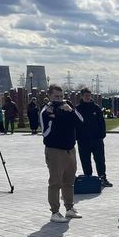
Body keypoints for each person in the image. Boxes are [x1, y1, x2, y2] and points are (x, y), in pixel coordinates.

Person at [41, 84, 83, 223]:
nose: (59, 99)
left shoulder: (68, 106)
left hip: (70, 149)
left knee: (69, 181)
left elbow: (81, 122)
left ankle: (69, 208)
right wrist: (52, 118)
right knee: (55, 182)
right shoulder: (45, 111)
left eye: (61, 96)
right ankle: (55, 212)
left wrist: (70, 110)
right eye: (56, 97)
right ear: (49, 96)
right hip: (54, 151)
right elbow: (45, 133)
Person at [75, 88, 112, 187]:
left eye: (89, 95)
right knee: (85, 160)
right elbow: (75, 125)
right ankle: (89, 178)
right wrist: (77, 137)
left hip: (96, 139)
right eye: (85, 96)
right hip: (83, 140)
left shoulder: (96, 108)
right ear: (82, 96)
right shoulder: (77, 109)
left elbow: (102, 123)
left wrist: (102, 135)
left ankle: (102, 178)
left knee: (100, 159)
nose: (87, 97)